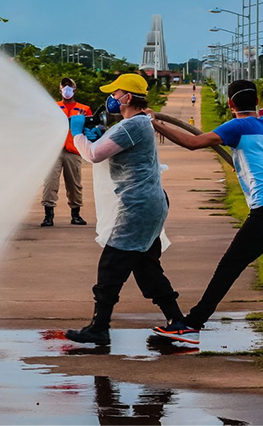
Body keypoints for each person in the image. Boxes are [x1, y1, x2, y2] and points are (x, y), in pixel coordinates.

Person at [150, 80, 263, 344]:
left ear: (231, 104)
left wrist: (155, 122)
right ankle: (192, 323)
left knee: (229, 267)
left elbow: (193, 142)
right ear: (257, 101)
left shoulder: (237, 126)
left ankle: (192, 325)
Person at [64, 73, 184, 345]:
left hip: (138, 206)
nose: (111, 99)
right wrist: (95, 136)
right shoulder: (136, 124)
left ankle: (99, 327)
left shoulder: (133, 125)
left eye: (115, 94)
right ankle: (177, 322)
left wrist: (78, 134)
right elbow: (105, 148)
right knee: (146, 268)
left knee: (111, 265)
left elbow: (94, 155)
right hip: (148, 203)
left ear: (128, 98)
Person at [40, 77, 94, 227]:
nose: (67, 89)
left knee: (74, 183)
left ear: (74, 89)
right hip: (54, 150)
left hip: (74, 150)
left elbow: (89, 129)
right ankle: (48, 215)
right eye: (64, 86)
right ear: (60, 90)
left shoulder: (84, 109)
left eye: (70, 86)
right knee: (50, 182)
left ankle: (76, 214)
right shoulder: (53, 107)